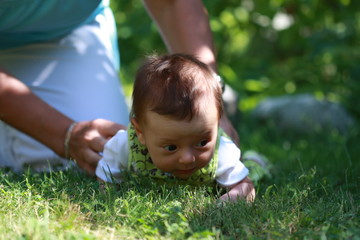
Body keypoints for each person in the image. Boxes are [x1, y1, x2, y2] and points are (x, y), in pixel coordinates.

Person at [0, 0, 239, 175]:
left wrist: (208, 98)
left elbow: (172, 3)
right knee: (48, 155)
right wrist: (63, 134)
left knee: (99, 153)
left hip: (63, 31)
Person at [96, 54, 255, 202]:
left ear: (217, 123)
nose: (187, 159)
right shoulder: (125, 146)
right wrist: (108, 195)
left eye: (201, 143)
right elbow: (108, 174)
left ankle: (255, 160)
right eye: (171, 147)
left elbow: (245, 187)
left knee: (253, 167)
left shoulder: (222, 152)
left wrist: (225, 203)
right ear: (140, 133)